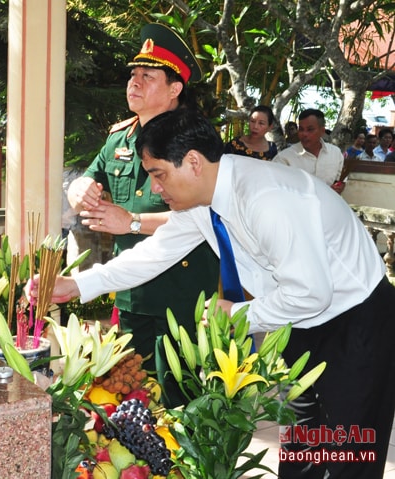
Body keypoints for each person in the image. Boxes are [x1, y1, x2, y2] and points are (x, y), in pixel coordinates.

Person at [33, 108, 395, 479]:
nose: (155, 189)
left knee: (351, 447)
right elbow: (155, 254)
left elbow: (311, 293)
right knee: (303, 440)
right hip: (298, 321)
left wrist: (237, 314)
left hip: (355, 319)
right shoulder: (203, 202)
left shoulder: (268, 198)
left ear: (192, 162)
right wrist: (78, 285)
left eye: (159, 175)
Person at [65, 23, 219, 408]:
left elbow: (202, 220)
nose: (134, 83)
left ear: (174, 89)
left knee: (179, 396)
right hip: (132, 289)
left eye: (147, 76)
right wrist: (77, 190)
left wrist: (131, 221)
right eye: (133, 75)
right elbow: (87, 179)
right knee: (128, 395)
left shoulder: (192, 143)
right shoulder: (119, 138)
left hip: (180, 292)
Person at [272, 109, 345, 194]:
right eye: (301, 129)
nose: (304, 134)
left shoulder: (335, 153)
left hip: (329, 205)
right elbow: (275, 187)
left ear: (322, 131)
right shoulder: (284, 158)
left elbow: (341, 180)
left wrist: (339, 187)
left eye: (310, 129)